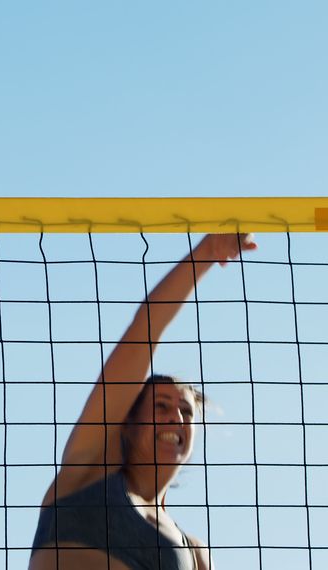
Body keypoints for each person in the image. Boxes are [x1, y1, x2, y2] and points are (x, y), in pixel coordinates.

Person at [29, 233, 257, 570]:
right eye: (161, 407)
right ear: (128, 424)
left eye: (185, 412)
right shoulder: (89, 471)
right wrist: (206, 254)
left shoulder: (193, 551)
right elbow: (144, 331)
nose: (176, 419)